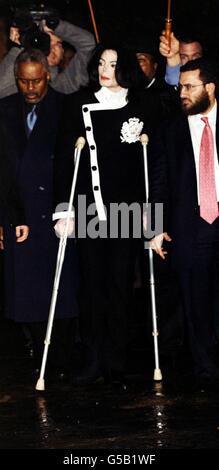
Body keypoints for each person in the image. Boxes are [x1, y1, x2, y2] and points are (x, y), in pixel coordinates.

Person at [54, 43, 160, 387]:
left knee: (120, 287)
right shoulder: (78, 104)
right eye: (101, 62)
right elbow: (62, 163)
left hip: (127, 211)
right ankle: (94, 357)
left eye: (113, 64)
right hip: (89, 208)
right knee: (91, 286)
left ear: (125, 68)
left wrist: (152, 216)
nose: (104, 69)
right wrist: (64, 211)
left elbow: (154, 164)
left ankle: (116, 359)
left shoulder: (141, 105)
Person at [0, 49, 79, 379]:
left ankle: (61, 354)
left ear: (48, 74)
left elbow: (73, 167)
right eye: (22, 80)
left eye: (35, 80)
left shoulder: (66, 107)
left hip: (56, 214)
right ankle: (36, 348)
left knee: (59, 287)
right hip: (19, 213)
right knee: (25, 290)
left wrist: (69, 210)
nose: (29, 87)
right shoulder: (4, 110)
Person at [149, 58, 219, 386]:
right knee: (195, 298)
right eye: (180, 87)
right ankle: (206, 369)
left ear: (210, 88)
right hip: (190, 226)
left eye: (189, 86)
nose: (182, 93)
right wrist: (156, 228)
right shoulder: (172, 130)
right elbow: (159, 181)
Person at [0, 16, 95, 98]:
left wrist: (56, 26)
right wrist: (20, 47)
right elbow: (2, 91)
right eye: (46, 43)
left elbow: (88, 44)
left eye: (58, 44)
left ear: (62, 52)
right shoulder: (25, 85)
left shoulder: (63, 86)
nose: (52, 48)